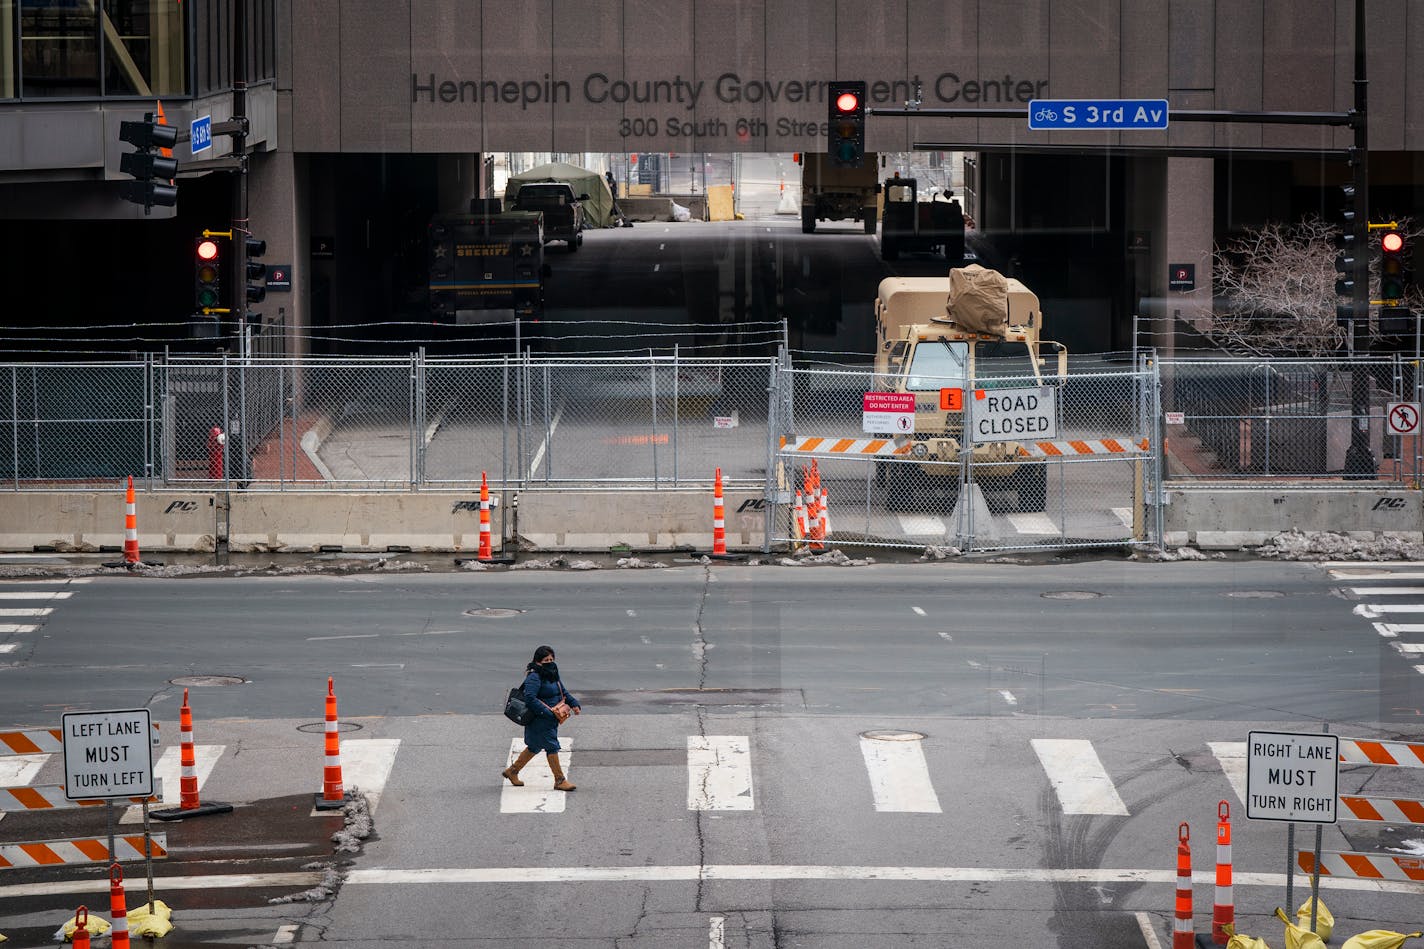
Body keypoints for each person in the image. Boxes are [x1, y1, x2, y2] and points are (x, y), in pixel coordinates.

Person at [502, 645, 581, 791]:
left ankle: (512, 771)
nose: (550, 662)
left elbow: (562, 691)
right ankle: (559, 780)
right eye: (546, 660)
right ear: (538, 661)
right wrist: (547, 713)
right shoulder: (534, 677)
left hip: (551, 718)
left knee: (534, 746)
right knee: (552, 746)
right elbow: (530, 698)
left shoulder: (552, 674)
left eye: (551, 659)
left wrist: (573, 703)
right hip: (540, 719)